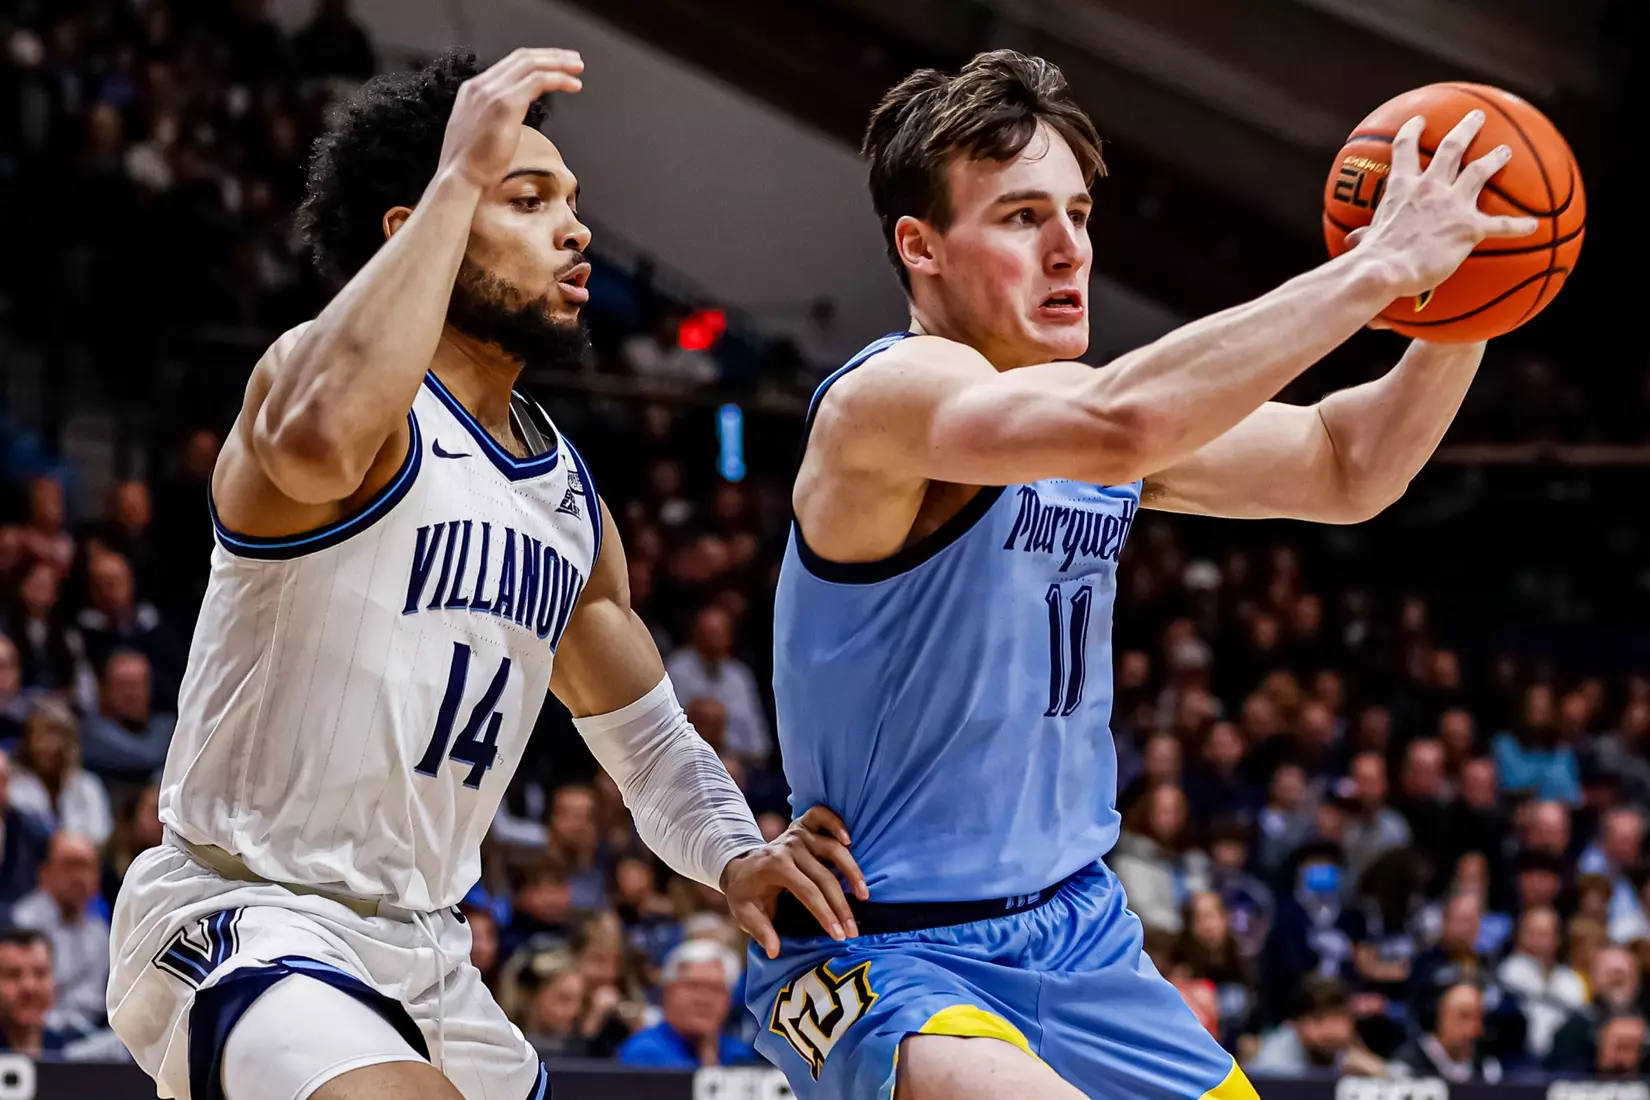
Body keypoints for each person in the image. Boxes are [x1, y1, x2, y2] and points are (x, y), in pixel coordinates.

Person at [748, 48, 1532, 1100]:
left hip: (1080, 937)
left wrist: (1468, 296)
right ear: (920, 247)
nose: (1068, 247)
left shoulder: (1081, 418)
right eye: (1024, 217)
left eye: (1077, 213)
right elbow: (1121, 420)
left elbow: (1355, 466)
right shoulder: (889, 399)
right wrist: (1378, 267)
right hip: (888, 947)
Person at [106, 49, 865, 1100]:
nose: (577, 227)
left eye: (572, 199)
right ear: (417, 225)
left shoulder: (566, 498)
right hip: (251, 912)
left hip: (429, 952)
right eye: (528, 197)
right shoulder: (318, 387)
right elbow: (320, 442)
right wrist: (456, 174)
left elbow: (645, 744)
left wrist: (739, 855)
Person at [10, 833, 109, 1025]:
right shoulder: (18, 924)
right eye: (70, 865)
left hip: (84, 1035)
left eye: (88, 867)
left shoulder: (100, 933)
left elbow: (94, 1002)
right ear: (44, 873)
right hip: (32, 1033)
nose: (80, 877)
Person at [617, 940, 757, 1069]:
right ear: (666, 991)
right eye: (692, 986)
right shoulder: (643, 1053)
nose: (703, 999)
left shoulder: (740, 1055)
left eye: (715, 989)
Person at [7, 699, 113, 845]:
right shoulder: (15, 785)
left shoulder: (88, 786)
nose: (48, 746)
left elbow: (100, 836)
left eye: (56, 736)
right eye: (41, 736)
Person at [1245, 975, 1384, 1077]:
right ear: (1296, 1023)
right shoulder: (1273, 1061)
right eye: (1320, 1019)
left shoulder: (1346, 1052)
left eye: (1339, 1017)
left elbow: (1395, 1077)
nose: (1332, 1030)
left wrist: (1379, 1074)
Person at [1392, 982, 1503, 1083]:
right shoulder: (1405, 1067)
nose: (1475, 1029)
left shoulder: (1487, 1070)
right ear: (1438, 1017)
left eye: (1480, 1018)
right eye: (1464, 1016)